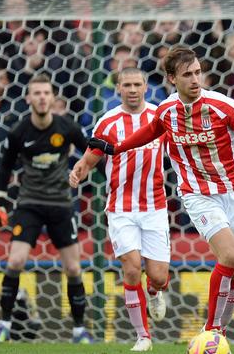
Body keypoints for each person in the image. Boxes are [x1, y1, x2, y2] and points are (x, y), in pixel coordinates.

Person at [87, 46, 234, 336]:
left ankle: (220, 332)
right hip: (197, 193)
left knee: (233, 269)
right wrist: (116, 148)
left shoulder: (222, 106)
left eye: (198, 72)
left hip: (232, 192)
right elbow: (148, 133)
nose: (196, 80)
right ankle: (211, 330)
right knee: (229, 256)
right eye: (188, 75)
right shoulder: (167, 111)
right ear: (172, 78)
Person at [69, 67, 170, 352]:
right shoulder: (108, 122)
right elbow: (90, 158)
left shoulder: (160, 117)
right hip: (121, 208)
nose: (133, 90)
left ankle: (154, 292)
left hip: (155, 206)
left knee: (159, 276)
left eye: (138, 84)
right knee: (131, 268)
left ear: (146, 87)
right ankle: (143, 336)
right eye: (127, 85)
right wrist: (79, 172)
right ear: (118, 89)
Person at [0, 74, 92, 344]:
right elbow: (5, 167)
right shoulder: (19, 132)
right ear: (29, 98)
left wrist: (108, 178)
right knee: (15, 262)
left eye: (46, 92)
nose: (43, 97)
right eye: (37, 93)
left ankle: (79, 330)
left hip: (61, 204)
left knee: (72, 268)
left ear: (53, 97)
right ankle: (4, 325)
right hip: (29, 204)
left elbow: (90, 154)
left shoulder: (67, 127)